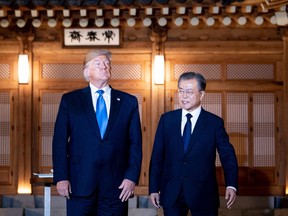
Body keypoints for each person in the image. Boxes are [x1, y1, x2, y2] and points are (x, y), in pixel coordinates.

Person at [52, 49, 142, 216]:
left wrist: (131, 178)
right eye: (98, 63)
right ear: (87, 71)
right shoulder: (71, 100)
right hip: (79, 183)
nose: (104, 66)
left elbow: (135, 144)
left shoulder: (128, 102)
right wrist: (61, 177)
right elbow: (59, 142)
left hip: (117, 186)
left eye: (107, 63)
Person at [149, 72, 238, 216]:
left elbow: (228, 156)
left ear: (202, 94)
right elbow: (157, 157)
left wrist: (231, 185)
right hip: (172, 192)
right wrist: (154, 188)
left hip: (203, 193)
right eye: (181, 91)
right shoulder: (167, 120)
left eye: (189, 92)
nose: (184, 96)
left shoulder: (214, 123)